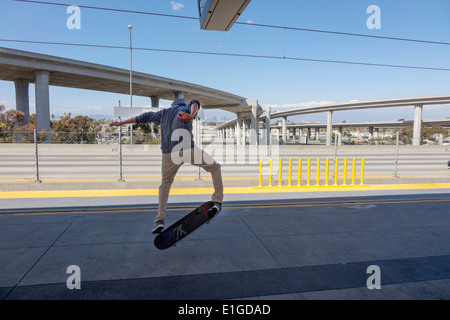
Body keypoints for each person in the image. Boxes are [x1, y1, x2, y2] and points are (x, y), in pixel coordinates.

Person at [109, 98, 223, 233]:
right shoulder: (184, 109)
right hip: (188, 149)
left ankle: (160, 220)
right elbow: (195, 102)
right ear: (183, 105)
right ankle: (217, 201)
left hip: (169, 153)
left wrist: (121, 122)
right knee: (215, 167)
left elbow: (143, 118)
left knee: (165, 184)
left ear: (172, 105)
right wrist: (191, 116)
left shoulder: (164, 113)